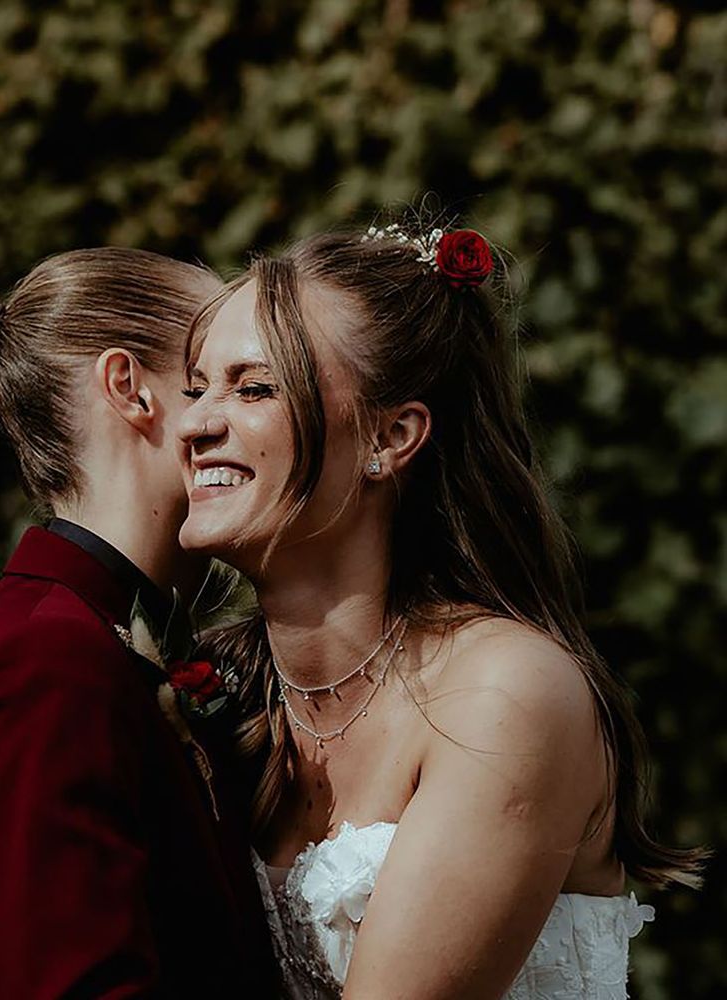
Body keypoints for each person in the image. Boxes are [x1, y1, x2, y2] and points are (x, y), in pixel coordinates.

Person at [175, 222, 705, 999]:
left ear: (391, 437)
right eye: (196, 389)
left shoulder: (504, 693)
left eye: (254, 388)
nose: (194, 425)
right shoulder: (229, 694)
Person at [0, 247, 278, 999]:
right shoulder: (41, 668)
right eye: (205, 383)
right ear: (130, 388)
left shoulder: (101, 642)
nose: (236, 415)